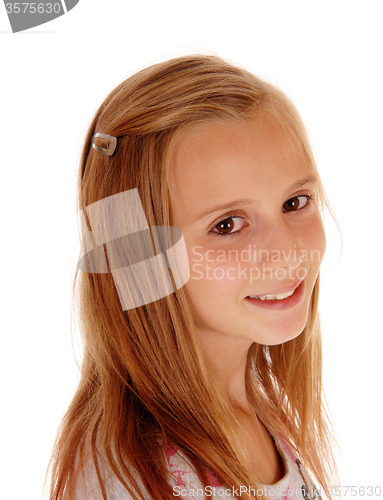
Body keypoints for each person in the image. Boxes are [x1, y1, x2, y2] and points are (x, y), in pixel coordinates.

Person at [46, 55, 340, 500]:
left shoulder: (261, 415)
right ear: (139, 256)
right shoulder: (131, 474)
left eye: (295, 202)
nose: (287, 250)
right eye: (227, 225)